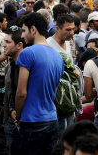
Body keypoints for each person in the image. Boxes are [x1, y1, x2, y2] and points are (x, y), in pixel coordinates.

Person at [12, 12, 63, 155]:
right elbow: (55, 88)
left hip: (32, 121)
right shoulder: (57, 56)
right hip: (52, 120)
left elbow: (21, 92)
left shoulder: (27, 53)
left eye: (23, 30)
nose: (22, 35)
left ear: (33, 29)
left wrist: (19, 116)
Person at [3, 26, 25, 153]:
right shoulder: (9, 66)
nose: (4, 45)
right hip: (12, 123)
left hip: (25, 122)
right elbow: (8, 94)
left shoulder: (28, 67)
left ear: (19, 45)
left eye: (8, 42)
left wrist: (18, 114)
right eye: (4, 41)